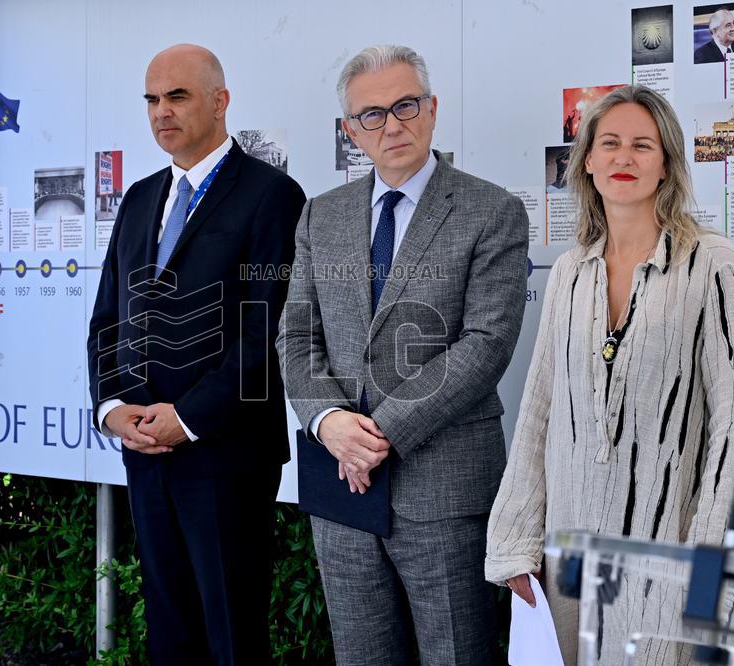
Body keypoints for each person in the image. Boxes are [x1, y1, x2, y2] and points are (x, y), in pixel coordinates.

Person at [486, 85, 734, 664]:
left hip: (670, 546)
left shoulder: (713, 262)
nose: (624, 158)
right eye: (610, 143)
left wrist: (710, 557)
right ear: (587, 160)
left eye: (643, 145)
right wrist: (516, 540)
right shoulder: (569, 270)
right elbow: (540, 406)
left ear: (665, 163)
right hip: (573, 550)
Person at [277, 44, 528, 665]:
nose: (392, 125)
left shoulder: (491, 210)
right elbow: (296, 336)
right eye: (372, 114)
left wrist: (379, 432)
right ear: (350, 131)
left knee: (456, 655)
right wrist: (330, 422)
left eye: (406, 105)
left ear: (432, 109)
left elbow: (486, 343)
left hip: (443, 490)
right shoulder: (320, 215)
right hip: (340, 483)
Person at [86, 44, 305, 664]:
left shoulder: (272, 196)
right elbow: (108, 316)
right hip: (146, 453)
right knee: (169, 632)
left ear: (220, 100)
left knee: (231, 634)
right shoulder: (138, 198)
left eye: (177, 96)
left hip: (226, 453)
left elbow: (269, 327)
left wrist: (186, 417)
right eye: (152, 99)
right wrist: (112, 407)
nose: (162, 112)